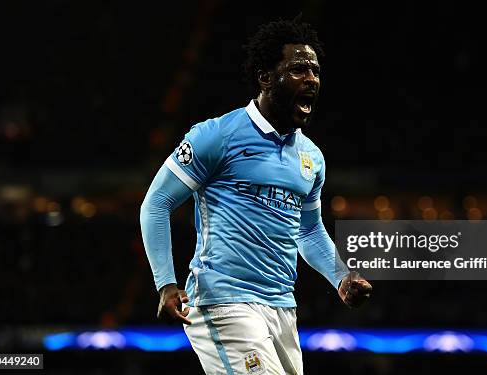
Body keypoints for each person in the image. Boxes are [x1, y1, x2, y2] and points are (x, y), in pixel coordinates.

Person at [140, 18, 372, 374]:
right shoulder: (216, 136)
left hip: (281, 307)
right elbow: (157, 203)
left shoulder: (311, 157)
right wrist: (166, 284)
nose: (311, 79)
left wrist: (341, 276)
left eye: (315, 71)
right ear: (265, 78)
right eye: (298, 69)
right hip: (223, 301)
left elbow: (309, 231)